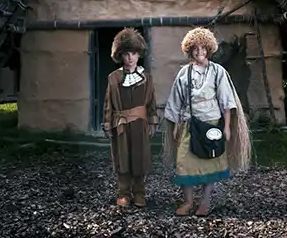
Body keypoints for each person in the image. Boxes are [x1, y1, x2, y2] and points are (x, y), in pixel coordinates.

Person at [162, 27, 251, 217]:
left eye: (203, 48)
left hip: (212, 123)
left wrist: (226, 127)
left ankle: (205, 201)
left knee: (212, 162)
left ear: (209, 49)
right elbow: (175, 101)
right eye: (195, 48)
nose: (199, 52)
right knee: (183, 163)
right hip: (189, 123)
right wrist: (176, 126)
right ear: (189, 50)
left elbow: (226, 100)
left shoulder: (218, 72)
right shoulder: (184, 74)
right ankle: (188, 202)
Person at [102, 28, 158, 209]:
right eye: (126, 54)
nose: (130, 58)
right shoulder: (114, 78)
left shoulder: (146, 78)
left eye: (133, 53)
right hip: (121, 125)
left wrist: (152, 121)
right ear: (120, 55)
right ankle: (123, 193)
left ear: (139, 54)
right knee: (122, 158)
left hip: (140, 124)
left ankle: (140, 193)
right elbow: (108, 103)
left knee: (139, 157)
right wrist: (108, 124)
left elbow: (151, 102)